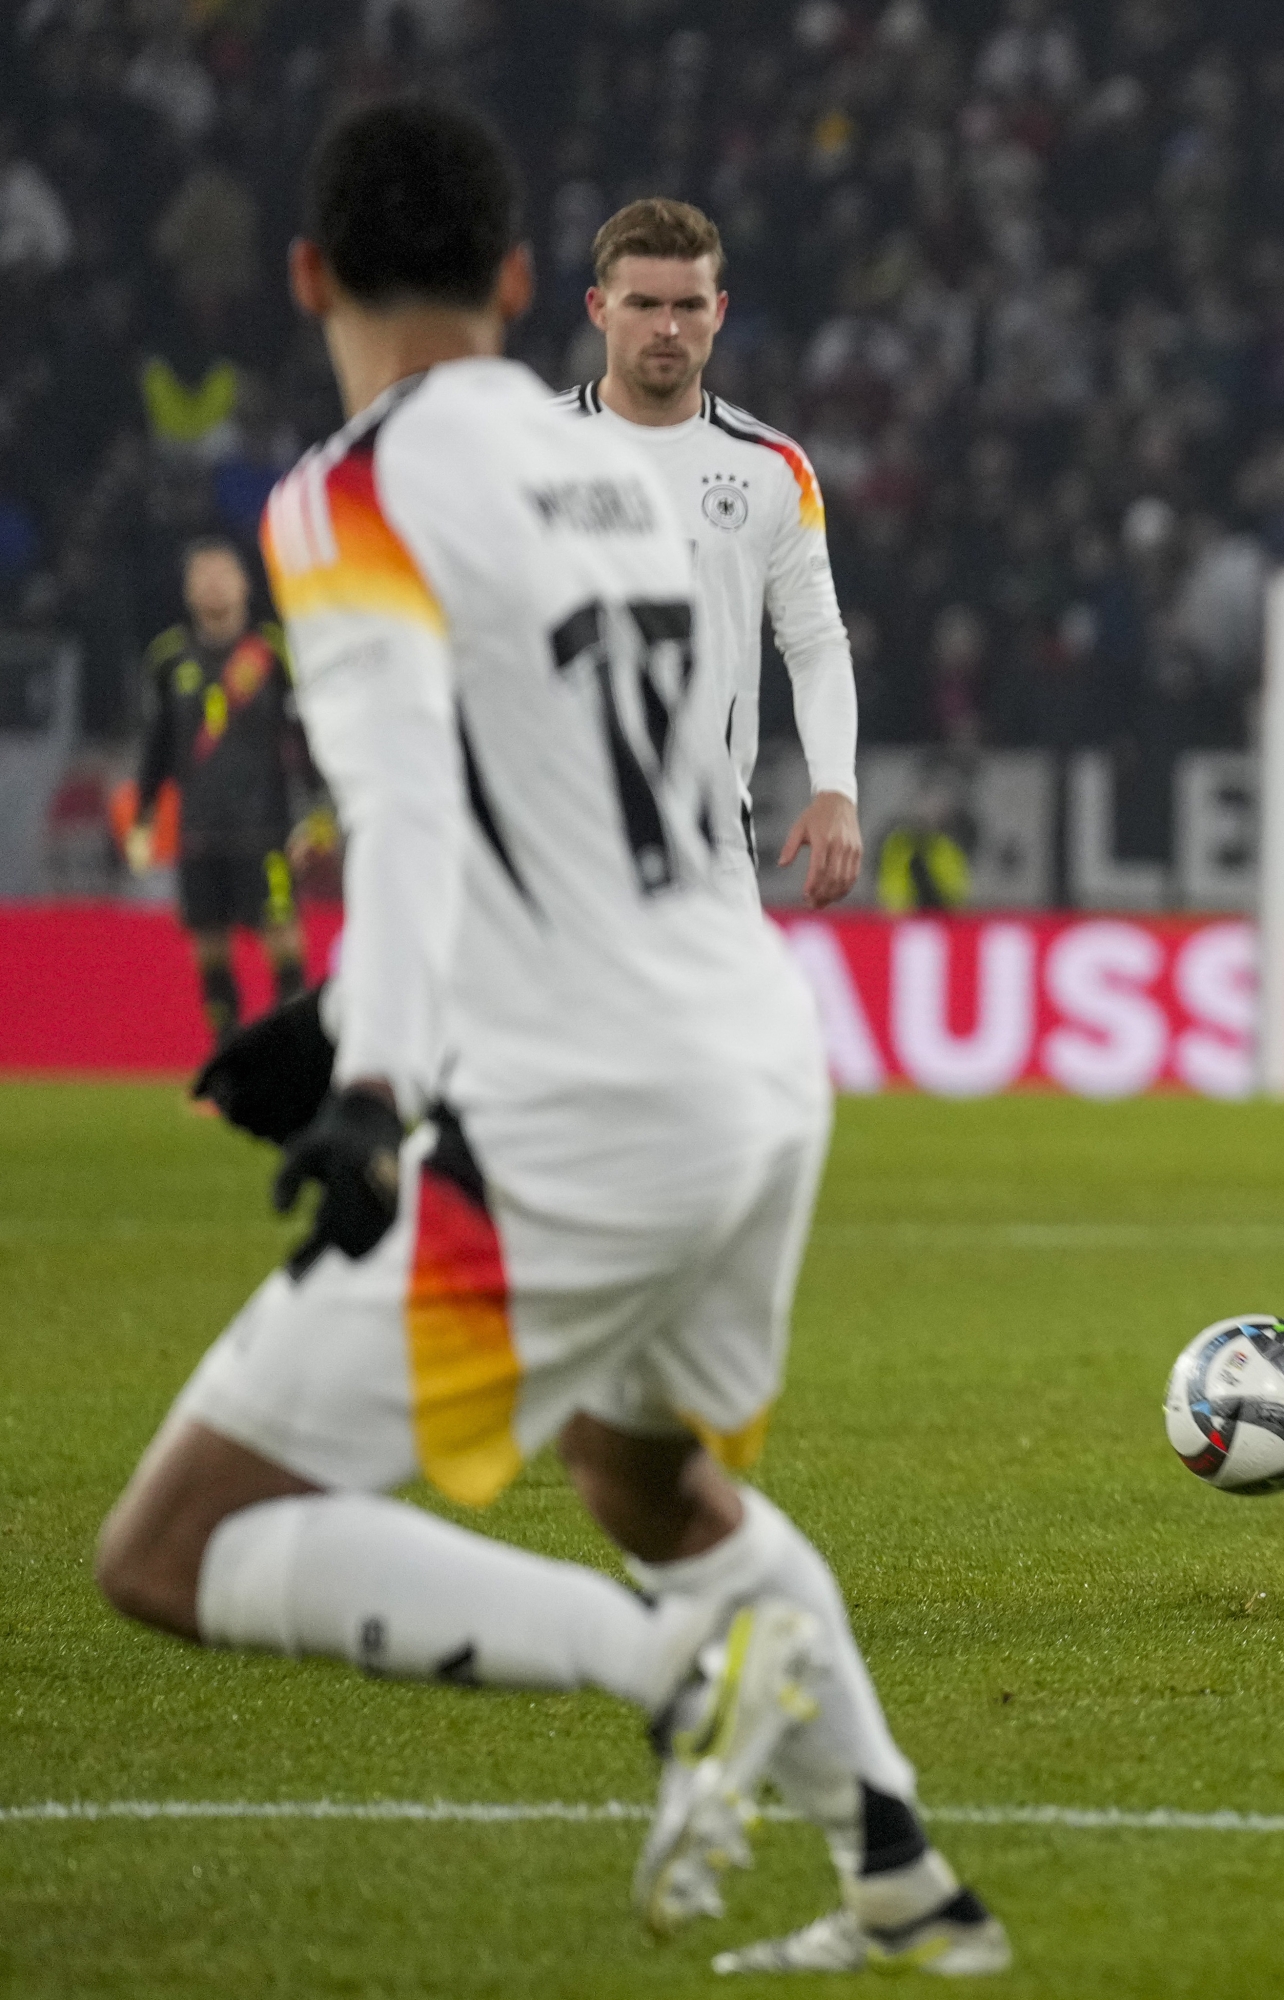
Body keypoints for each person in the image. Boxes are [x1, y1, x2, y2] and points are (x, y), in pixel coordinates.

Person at [90, 98, 1005, 1975]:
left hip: (592, 1100)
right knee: (647, 1478)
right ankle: (896, 1862)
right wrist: (355, 1009)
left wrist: (370, 1086)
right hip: (754, 1047)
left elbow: (417, 812)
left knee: (166, 1552)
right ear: (532, 290)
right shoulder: (606, 478)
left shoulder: (345, 497)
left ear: (302, 278)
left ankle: (673, 1669)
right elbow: (577, 795)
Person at [561, 196, 861, 909]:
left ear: (719, 312)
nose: (668, 328)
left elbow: (816, 640)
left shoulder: (772, 469)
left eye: (688, 306)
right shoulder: (526, 453)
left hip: (708, 855)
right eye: (644, 304)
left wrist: (836, 788)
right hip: (555, 849)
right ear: (599, 308)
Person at [129, 537, 313, 1038]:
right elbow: (157, 746)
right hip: (199, 831)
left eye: (223, 573)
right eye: (202, 575)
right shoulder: (168, 658)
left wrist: (317, 811)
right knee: (208, 949)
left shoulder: (274, 652)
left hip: (266, 829)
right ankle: (226, 1058)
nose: (213, 583)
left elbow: (306, 737)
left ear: (246, 583)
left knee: (284, 943)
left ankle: (294, 1059)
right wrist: (143, 818)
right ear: (188, 591)